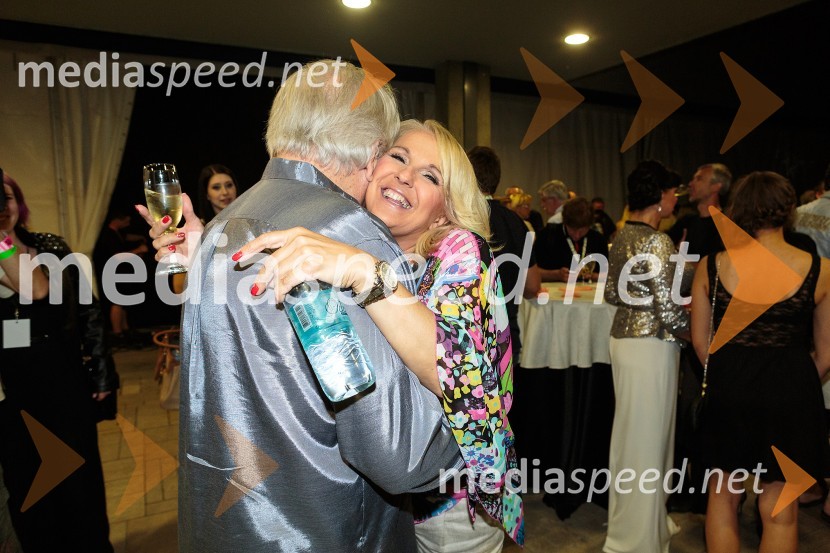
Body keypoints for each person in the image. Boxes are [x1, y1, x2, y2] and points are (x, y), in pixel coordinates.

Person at [138, 60, 462, 553]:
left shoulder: (224, 224)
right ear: (371, 152)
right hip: (321, 529)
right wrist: (472, 417)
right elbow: (401, 453)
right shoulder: (343, 234)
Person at [239, 120, 524, 552]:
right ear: (372, 167)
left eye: (430, 176)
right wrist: (208, 245)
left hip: (450, 500)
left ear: (444, 209)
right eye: (399, 157)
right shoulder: (357, 238)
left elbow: (459, 371)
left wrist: (367, 275)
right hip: (383, 494)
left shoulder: (458, 248)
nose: (405, 176)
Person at [691, 171, 830, 553]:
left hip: (729, 388)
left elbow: (702, 345)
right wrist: (797, 383)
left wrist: (729, 376)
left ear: (739, 211)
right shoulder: (821, 270)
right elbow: (827, 353)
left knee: (723, 497)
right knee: (780, 506)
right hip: (792, 395)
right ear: (788, 211)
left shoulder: (712, 265)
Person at [0, 173, 117, 552]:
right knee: (33, 488)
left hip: (64, 378)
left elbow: (87, 310)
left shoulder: (50, 246)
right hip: (14, 391)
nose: (3, 208)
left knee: (81, 482)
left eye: (7, 198)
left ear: (19, 201)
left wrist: (100, 371)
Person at [603, 160, 689, 553]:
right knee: (647, 442)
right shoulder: (657, 241)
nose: (675, 198)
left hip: (625, 342)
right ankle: (636, 538)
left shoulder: (621, 235)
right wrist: (700, 336)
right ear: (659, 196)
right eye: (673, 191)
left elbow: (609, 293)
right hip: (652, 346)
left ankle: (638, 525)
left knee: (632, 439)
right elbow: (668, 311)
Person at [467, 146, 540, 368]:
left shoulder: (459, 218)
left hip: (466, 341)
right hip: (506, 337)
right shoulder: (517, 223)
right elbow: (532, 286)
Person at [93, 207, 149, 345]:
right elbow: (117, 256)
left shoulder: (116, 233)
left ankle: (124, 329)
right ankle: (118, 333)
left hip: (120, 272)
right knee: (117, 302)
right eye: (126, 221)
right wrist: (139, 250)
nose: (128, 224)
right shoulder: (108, 235)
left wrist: (141, 238)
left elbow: (127, 237)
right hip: (112, 272)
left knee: (123, 302)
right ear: (118, 220)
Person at [535, 197, 608, 283]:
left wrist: (593, 276)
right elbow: (530, 272)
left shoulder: (598, 239)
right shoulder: (547, 236)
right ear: (565, 223)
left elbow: (608, 276)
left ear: (589, 225)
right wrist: (556, 275)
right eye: (572, 230)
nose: (577, 236)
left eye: (581, 231)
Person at [668, 163, 732, 259]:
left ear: (716, 186)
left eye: (699, 179)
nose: (690, 184)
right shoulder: (686, 222)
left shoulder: (727, 225)